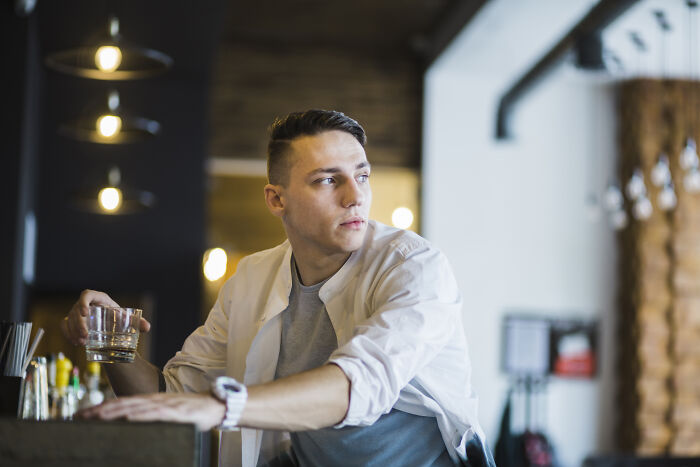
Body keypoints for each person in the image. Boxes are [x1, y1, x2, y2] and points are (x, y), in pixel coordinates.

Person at [62, 110, 495, 467]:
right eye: (327, 180)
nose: (354, 196)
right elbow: (173, 400)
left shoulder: (414, 266)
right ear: (276, 199)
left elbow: (361, 384)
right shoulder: (251, 278)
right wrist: (112, 343)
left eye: (361, 176)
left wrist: (223, 406)